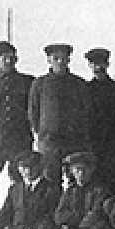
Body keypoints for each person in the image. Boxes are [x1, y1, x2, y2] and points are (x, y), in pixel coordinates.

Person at [0, 40, 35, 223]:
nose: (9, 62)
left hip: (19, 140)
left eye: (13, 59)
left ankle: (16, 220)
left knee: (19, 179)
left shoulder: (27, 82)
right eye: (5, 58)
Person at [27, 43, 88, 184]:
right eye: (56, 58)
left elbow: (86, 112)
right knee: (50, 179)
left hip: (74, 140)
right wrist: (42, 133)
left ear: (68, 60)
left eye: (63, 58)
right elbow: (33, 112)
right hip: (50, 142)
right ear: (49, 60)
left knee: (75, 179)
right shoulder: (40, 84)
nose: (60, 62)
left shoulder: (79, 84)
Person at [83, 48, 115, 170]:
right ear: (89, 66)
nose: (98, 67)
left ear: (107, 64)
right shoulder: (86, 89)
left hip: (113, 138)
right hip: (92, 139)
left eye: (101, 63)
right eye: (94, 64)